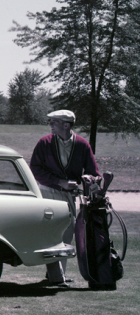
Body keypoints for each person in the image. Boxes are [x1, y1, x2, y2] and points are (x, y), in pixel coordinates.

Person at [29, 109, 99, 287]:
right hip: (47, 192)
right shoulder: (44, 142)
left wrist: (87, 180)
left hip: (68, 195)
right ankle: (56, 277)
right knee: (51, 233)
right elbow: (35, 169)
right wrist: (60, 182)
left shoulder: (82, 145)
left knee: (67, 234)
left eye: (54, 121)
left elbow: (93, 172)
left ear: (66, 125)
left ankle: (57, 276)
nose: (50, 125)